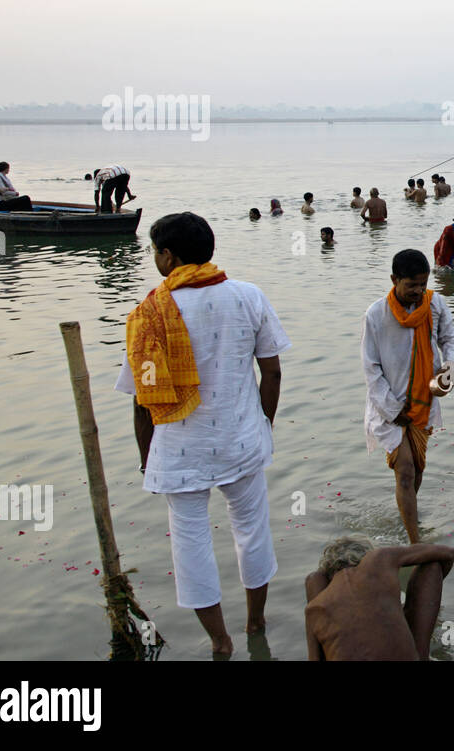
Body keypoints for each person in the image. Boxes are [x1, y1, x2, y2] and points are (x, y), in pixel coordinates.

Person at [114, 212, 290, 656]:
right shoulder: (248, 296)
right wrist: (262, 425)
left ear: (168, 255)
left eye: (155, 250)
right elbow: (271, 371)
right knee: (252, 530)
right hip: (242, 440)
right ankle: (256, 622)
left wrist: (145, 456)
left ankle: (220, 641)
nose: (154, 257)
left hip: (179, 448)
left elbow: (142, 398)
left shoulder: (150, 311)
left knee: (191, 541)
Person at [361, 249, 454, 544]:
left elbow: (449, 340)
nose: (418, 292)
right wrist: (392, 408)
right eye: (411, 285)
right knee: (405, 468)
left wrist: (449, 368)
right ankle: (415, 542)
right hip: (387, 406)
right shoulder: (376, 314)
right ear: (394, 280)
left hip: (423, 401)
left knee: (415, 471)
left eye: (423, 284)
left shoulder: (436, 304)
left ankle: (405, 519)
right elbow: (371, 367)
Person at [305, 537, 454, 661]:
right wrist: (415, 610)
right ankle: (423, 657)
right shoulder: (378, 558)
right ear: (364, 556)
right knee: (432, 564)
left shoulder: (314, 608)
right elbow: (448, 553)